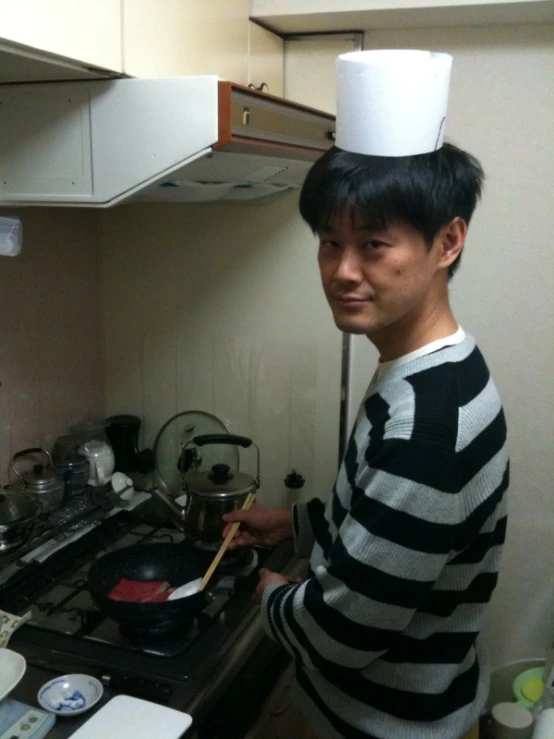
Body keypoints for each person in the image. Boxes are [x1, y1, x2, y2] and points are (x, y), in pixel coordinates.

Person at [223, 54, 509, 739]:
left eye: (375, 244)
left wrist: (270, 596)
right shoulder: (433, 368)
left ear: (448, 241)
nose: (343, 271)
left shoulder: (428, 428)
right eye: (329, 243)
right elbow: (387, 528)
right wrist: (298, 525)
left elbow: (339, 635)